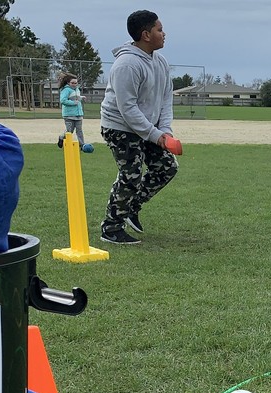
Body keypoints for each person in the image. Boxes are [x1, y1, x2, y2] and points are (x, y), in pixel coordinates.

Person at [98, 10, 177, 245]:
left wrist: (165, 132)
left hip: (147, 127)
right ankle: (111, 228)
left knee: (166, 167)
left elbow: (165, 100)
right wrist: (155, 135)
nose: (164, 34)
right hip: (120, 127)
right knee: (131, 176)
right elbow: (128, 109)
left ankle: (131, 208)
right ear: (146, 34)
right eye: (159, 29)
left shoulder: (160, 62)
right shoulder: (127, 65)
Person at [57, 73, 87, 150]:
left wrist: (81, 98)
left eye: (76, 83)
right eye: (72, 83)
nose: (74, 84)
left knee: (79, 130)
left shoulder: (77, 90)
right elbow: (63, 100)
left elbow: (75, 98)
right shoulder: (66, 90)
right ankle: (62, 138)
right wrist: (73, 103)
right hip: (69, 115)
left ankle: (82, 145)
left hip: (78, 114)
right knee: (69, 131)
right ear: (68, 83)